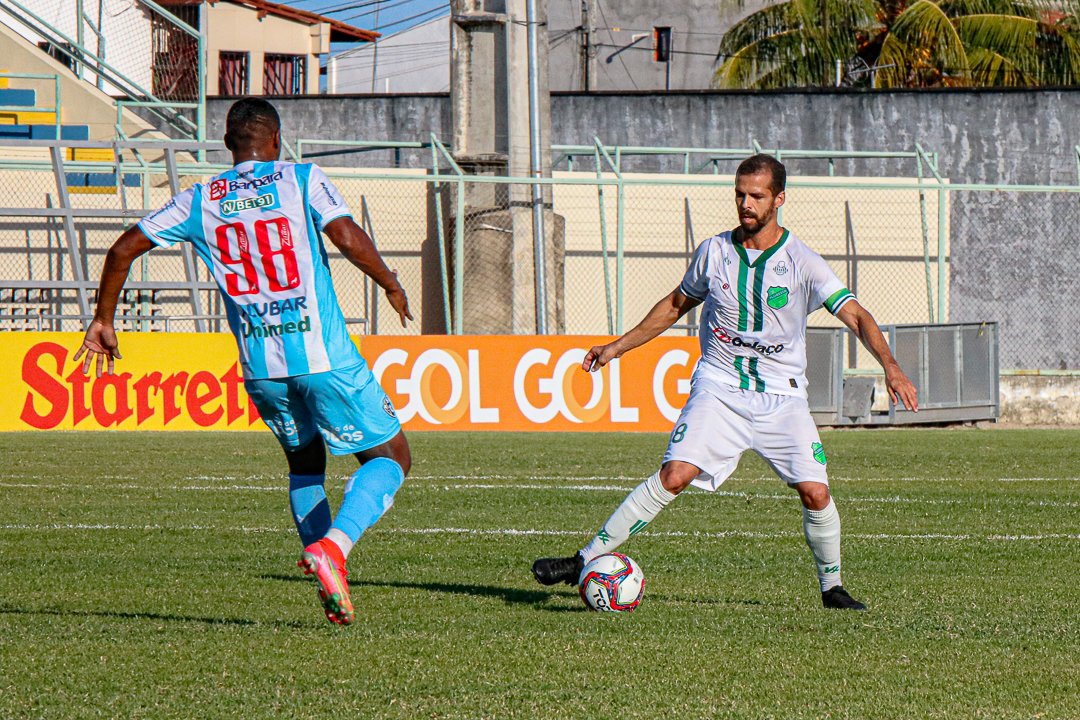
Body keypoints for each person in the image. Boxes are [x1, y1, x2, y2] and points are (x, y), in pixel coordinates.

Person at [74, 98, 413, 625]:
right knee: (392, 457)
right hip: (322, 356)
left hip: (259, 367)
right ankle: (335, 550)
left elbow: (121, 251)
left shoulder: (199, 199)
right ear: (276, 139)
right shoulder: (302, 179)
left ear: (229, 143)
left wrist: (104, 320)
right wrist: (390, 282)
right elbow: (345, 236)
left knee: (305, 466)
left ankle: (328, 566)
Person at [532, 154, 918, 610]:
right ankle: (584, 560)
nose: (746, 204)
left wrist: (889, 364)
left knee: (816, 492)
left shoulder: (803, 262)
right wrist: (617, 347)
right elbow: (676, 303)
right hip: (719, 387)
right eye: (740, 194)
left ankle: (832, 588)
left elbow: (855, 312)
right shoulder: (714, 252)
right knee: (674, 475)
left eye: (756, 196)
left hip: (782, 398)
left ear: (779, 199)